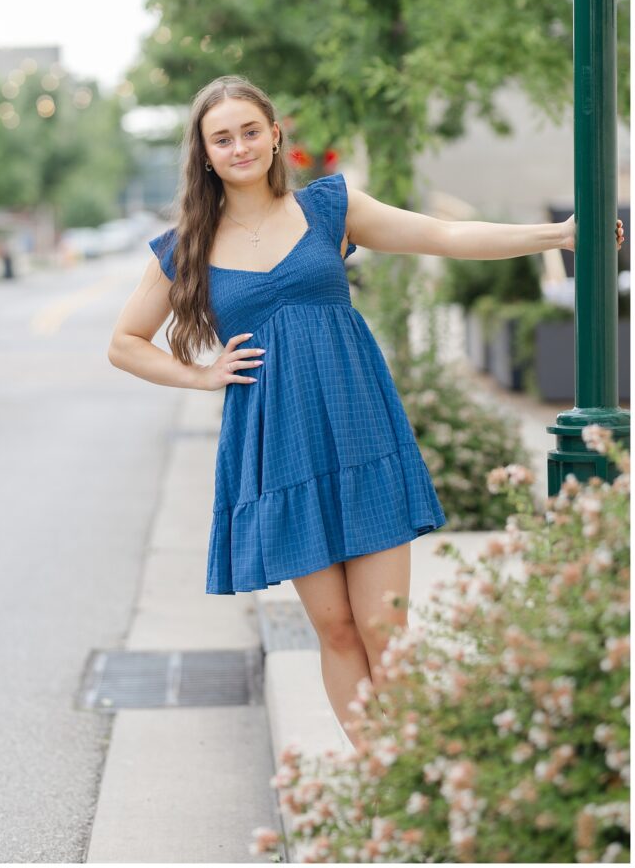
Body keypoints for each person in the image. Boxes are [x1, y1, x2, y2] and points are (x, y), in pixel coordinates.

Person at [108, 74, 625, 744]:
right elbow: (124, 344)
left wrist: (555, 235)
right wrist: (204, 377)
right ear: (204, 154)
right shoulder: (189, 245)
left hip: (359, 431)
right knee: (337, 630)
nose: (238, 147)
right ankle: (382, 790)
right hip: (278, 450)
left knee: (389, 634)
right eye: (222, 138)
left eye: (249, 131)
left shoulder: (330, 206)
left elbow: (442, 234)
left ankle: (413, 778)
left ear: (274, 136)